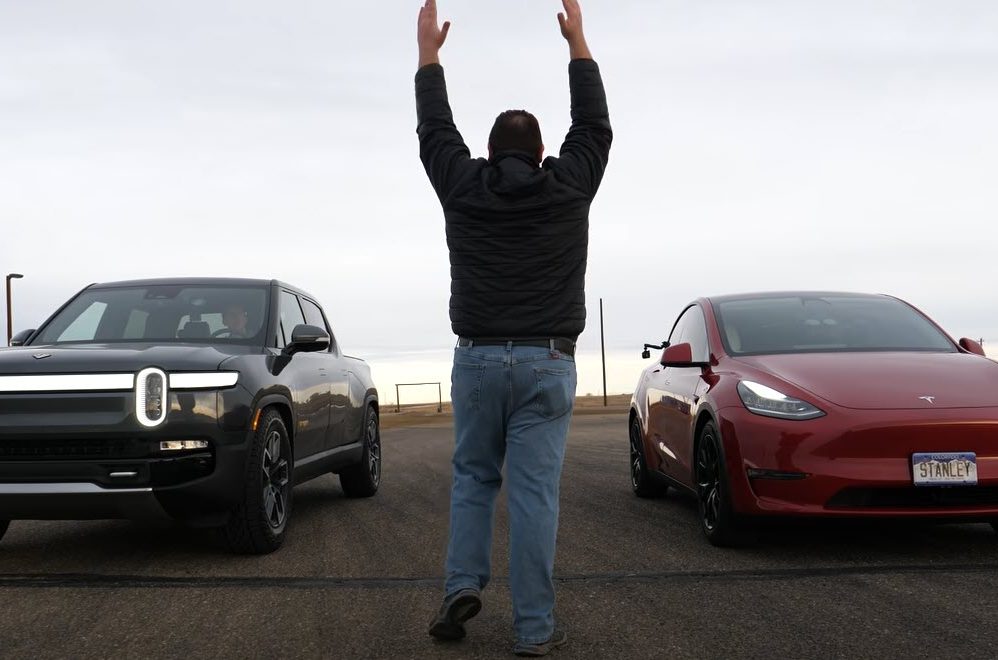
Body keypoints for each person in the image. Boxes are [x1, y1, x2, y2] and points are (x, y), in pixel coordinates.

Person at [415, 0, 612, 655]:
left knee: (474, 479)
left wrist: (429, 56)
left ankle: (459, 591)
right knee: (533, 497)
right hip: (548, 362)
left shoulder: (464, 187)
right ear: (543, 153)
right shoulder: (569, 187)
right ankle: (532, 631)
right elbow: (596, 126)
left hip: (475, 362)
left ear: (489, 152)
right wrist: (577, 42)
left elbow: (434, 130)